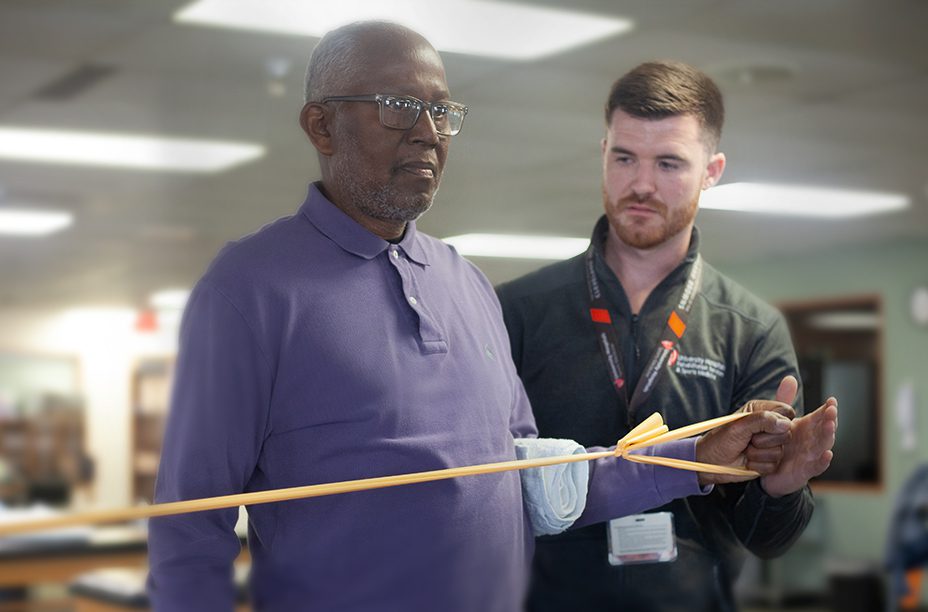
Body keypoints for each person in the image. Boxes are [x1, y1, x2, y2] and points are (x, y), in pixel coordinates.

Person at [147, 25, 830, 612]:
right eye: (398, 107)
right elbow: (188, 528)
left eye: (441, 111)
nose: (427, 133)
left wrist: (692, 460)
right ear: (321, 125)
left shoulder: (467, 284)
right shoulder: (249, 288)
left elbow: (532, 485)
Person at [496, 60, 838, 612]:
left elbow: (767, 539)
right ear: (602, 152)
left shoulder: (748, 329)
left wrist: (781, 487)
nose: (641, 184)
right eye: (624, 157)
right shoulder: (516, 311)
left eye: (669, 163)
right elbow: (486, 488)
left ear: (712, 171)